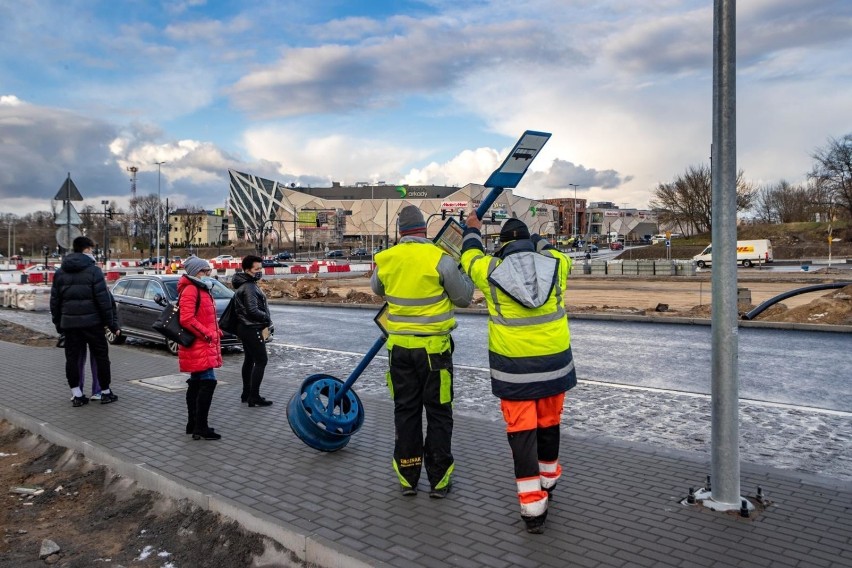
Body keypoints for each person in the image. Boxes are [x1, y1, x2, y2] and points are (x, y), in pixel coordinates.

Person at [460, 215, 576, 534]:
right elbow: (555, 252)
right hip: (555, 364)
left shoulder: (491, 270)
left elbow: (468, 256)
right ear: (528, 241)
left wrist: (471, 228)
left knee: (522, 433)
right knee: (550, 423)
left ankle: (533, 506)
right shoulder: (555, 263)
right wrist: (537, 239)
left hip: (515, 369)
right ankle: (549, 479)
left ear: (502, 245)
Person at [371, 205, 474, 498]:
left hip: (399, 351)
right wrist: (463, 274)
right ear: (423, 230)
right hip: (434, 352)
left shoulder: (386, 259)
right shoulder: (440, 258)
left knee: (406, 412)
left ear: (401, 232)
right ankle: (439, 481)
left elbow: (377, 288)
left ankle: (408, 478)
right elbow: (464, 298)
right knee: (439, 414)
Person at [50, 236, 120, 407]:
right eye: (92, 249)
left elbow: (55, 302)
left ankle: (77, 395)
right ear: (87, 249)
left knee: (72, 359)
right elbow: (103, 301)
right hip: (93, 324)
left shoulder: (60, 272)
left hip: (70, 326)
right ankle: (104, 392)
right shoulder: (93, 271)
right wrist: (111, 324)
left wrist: (59, 324)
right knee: (101, 357)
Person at [179, 256, 223, 440]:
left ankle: (193, 424)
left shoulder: (201, 288)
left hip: (203, 344)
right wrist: (208, 334)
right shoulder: (191, 289)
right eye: (206, 271)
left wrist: (216, 331)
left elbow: (203, 315)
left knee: (197, 383)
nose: (209, 274)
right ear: (197, 272)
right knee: (207, 382)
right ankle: (201, 427)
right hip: (199, 344)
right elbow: (186, 319)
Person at [232, 254, 273, 407]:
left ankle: (246, 393)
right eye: (257, 269)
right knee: (261, 360)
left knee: (249, 360)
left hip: (245, 327)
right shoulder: (249, 286)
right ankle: (254, 396)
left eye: (261, 268)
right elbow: (252, 310)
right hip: (251, 327)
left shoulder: (247, 283)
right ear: (247, 270)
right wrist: (267, 318)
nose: (259, 272)